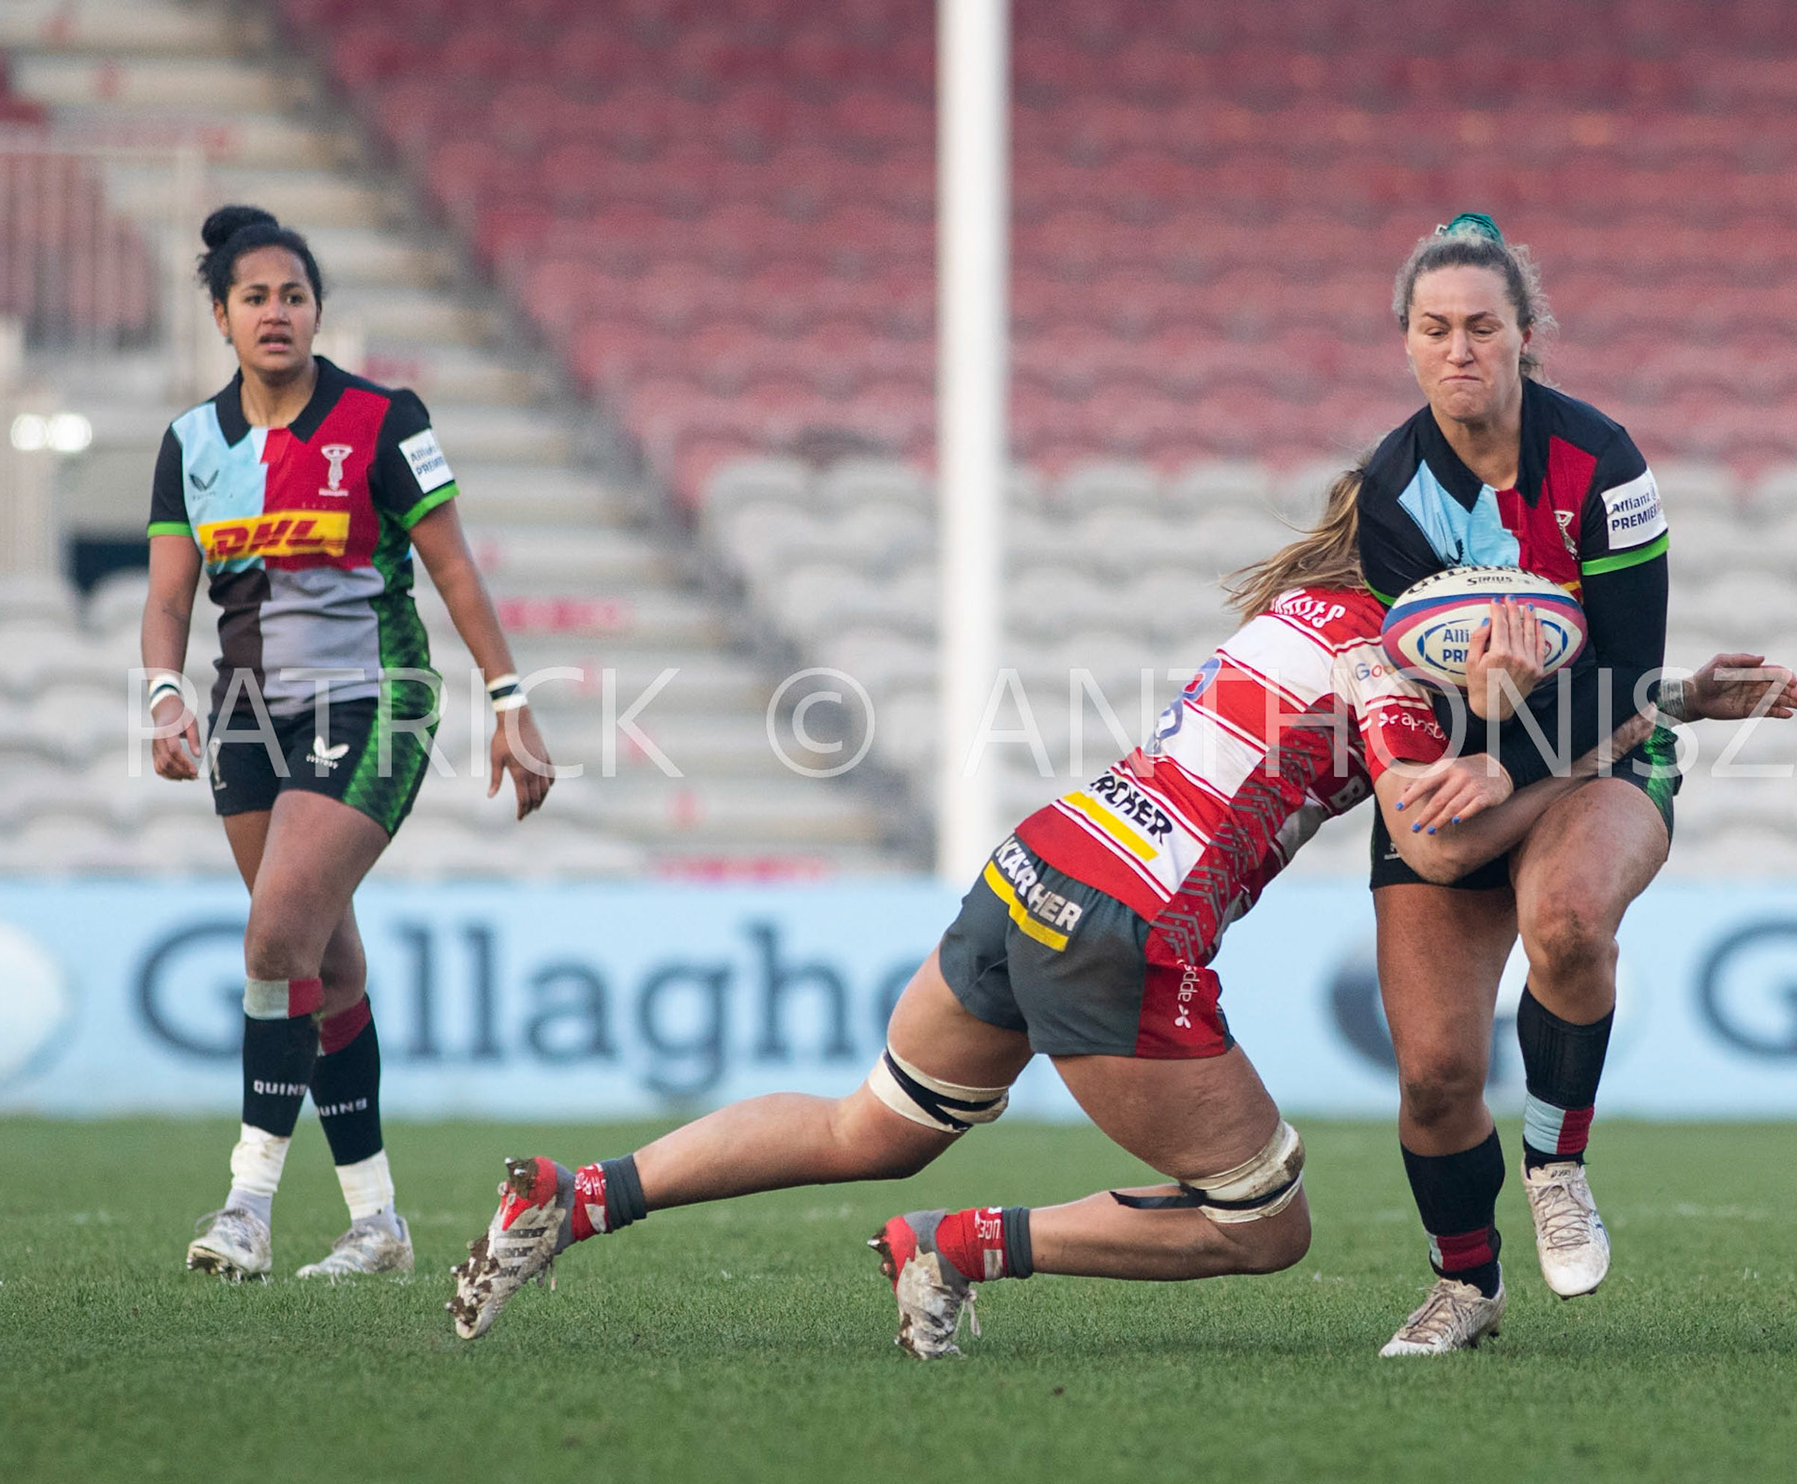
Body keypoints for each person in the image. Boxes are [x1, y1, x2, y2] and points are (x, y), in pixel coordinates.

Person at [445, 470, 1648, 1355]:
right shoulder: (1381, 658)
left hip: (1038, 860)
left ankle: (578, 1191)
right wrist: (1601, 744)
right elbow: (1435, 838)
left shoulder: (1295, 614)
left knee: (872, 1122)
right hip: (1126, 924)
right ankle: (959, 1245)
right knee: (1264, 1218)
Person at [1355, 213, 1797, 1355]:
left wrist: (1511, 739)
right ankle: (1467, 1285)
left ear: (1527, 336)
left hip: (1601, 744)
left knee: (1566, 923)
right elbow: (1413, 677)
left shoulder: (1604, 463)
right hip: (1465, 759)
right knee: (1437, 1077)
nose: (1460, 349)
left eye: (1483, 327)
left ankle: (1556, 1161)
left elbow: (1625, 671)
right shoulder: (1392, 492)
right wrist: (1475, 732)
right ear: (1405, 342)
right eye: (1435, 328)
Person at [143, 205, 556, 1280]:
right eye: (254, 297)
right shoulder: (190, 445)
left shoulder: (382, 417)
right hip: (242, 715)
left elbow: (455, 568)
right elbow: (167, 599)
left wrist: (510, 698)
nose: (276, 312)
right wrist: (162, 695)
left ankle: (246, 1203)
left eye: (294, 294)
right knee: (322, 960)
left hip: (375, 701)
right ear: (222, 318)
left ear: (318, 309)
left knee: (276, 938)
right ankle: (378, 1224)